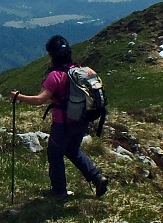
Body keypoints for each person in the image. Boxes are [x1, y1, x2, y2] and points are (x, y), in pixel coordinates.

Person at [9, 35, 108, 198]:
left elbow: (40, 99)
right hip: (81, 120)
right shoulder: (78, 70)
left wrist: (18, 97)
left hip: (63, 124)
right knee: (72, 150)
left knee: (55, 154)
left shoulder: (55, 76)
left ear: (52, 55)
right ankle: (96, 177)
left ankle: (59, 190)